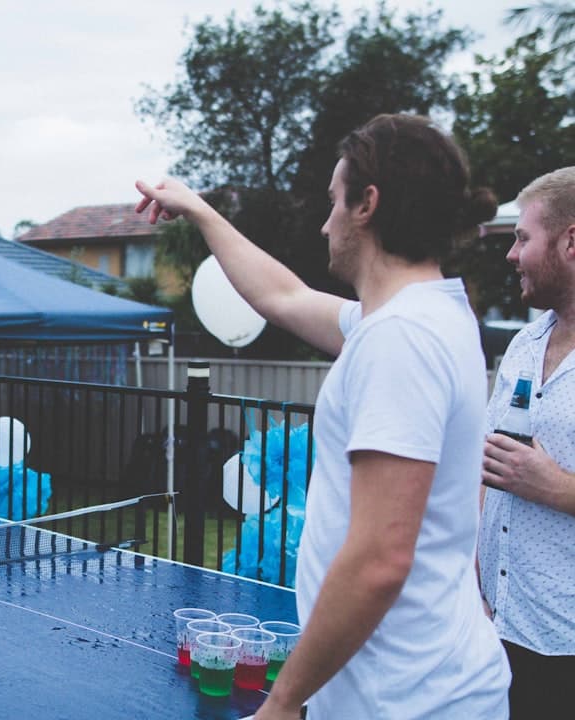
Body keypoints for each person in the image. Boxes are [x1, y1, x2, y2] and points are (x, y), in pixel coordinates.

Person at [136, 113, 509, 719]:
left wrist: (284, 701)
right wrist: (201, 212)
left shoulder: (402, 338)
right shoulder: (423, 316)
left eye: (335, 201)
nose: (325, 222)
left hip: (407, 701)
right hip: (411, 689)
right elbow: (282, 296)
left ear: (368, 204)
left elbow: (381, 558)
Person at [479, 166, 575, 719]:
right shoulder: (522, 343)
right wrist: (474, 572)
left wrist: (556, 486)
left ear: (570, 241)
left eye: (522, 237)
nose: (511, 254)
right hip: (499, 628)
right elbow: (490, 463)